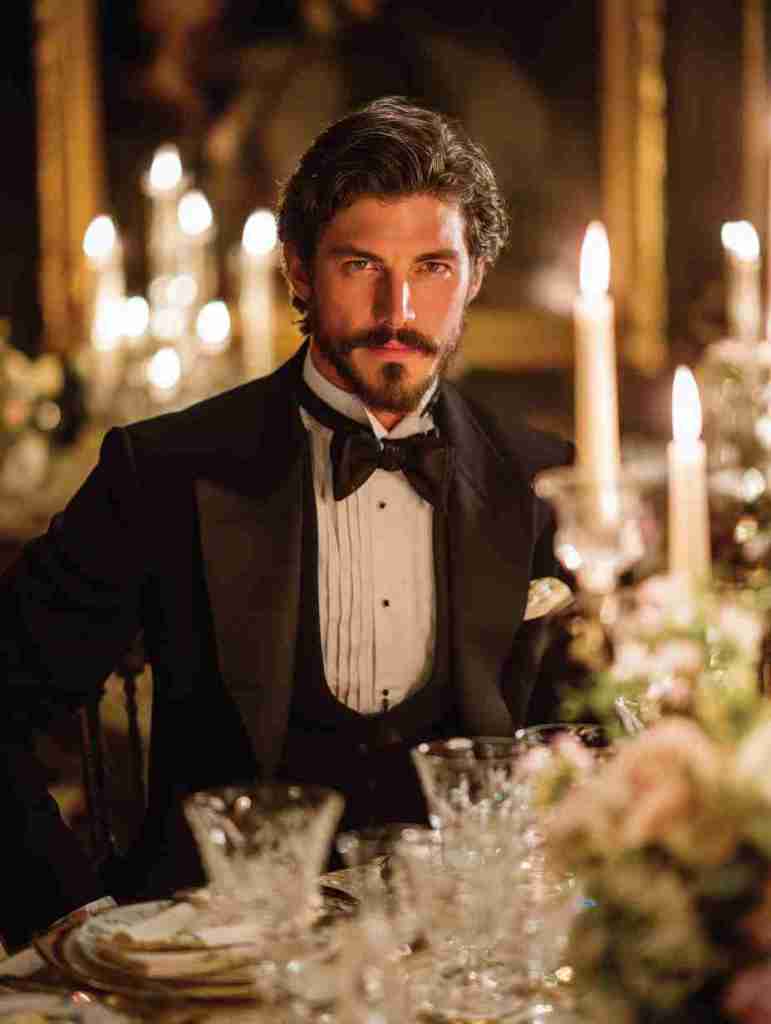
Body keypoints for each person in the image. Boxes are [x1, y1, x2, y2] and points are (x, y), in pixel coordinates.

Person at [0, 97, 572, 950]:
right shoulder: (162, 471)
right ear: (299, 270)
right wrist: (68, 916)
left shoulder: (541, 476)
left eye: (432, 268)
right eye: (359, 266)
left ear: (476, 275)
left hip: (460, 947)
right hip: (211, 956)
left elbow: (582, 738)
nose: (398, 308)